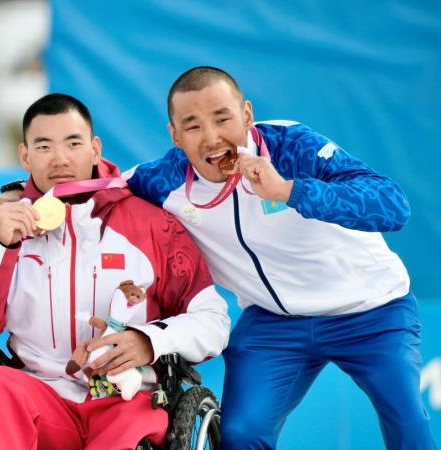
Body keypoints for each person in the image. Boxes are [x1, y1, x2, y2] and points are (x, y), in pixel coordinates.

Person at [124, 66, 436, 449]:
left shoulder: (291, 146)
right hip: (275, 324)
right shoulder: (161, 179)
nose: (212, 137)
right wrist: (27, 199)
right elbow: (94, 188)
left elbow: (392, 204)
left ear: (247, 115)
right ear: (175, 135)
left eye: (223, 118)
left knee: (407, 422)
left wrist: (290, 190)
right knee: (240, 433)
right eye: (193, 126)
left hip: (372, 310)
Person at [0, 93, 229, 450]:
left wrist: (150, 340)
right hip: (41, 401)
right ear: (25, 156)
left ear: (95, 149)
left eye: (73, 143)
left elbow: (213, 320)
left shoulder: (152, 226)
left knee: (129, 420)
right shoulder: (0, 229)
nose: (60, 158)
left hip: (126, 401)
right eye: (44, 146)